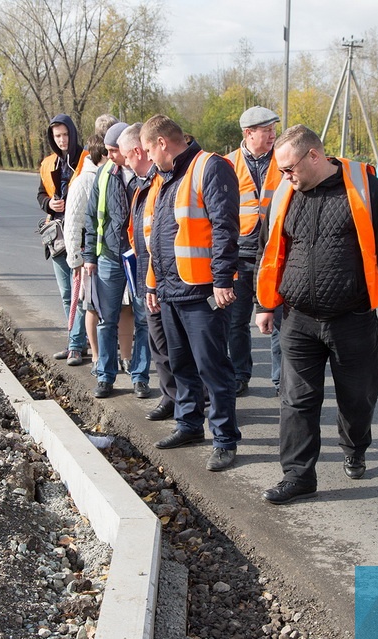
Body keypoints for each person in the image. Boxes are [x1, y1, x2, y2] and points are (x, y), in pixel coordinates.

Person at [254, 125, 378, 505]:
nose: (285, 177)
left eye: (290, 168)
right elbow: (269, 248)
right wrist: (265, 304)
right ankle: (298, 475)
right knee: (296, 400)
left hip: (351, 317)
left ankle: (354, 446)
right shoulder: (284, 193)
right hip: (297, 318)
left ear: (314, 156)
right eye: (281, 171)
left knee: (357, 397)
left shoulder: (365, 189)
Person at [140, 115, 241, 472]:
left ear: (162, 143)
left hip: (202, 292)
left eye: (150, 150)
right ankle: (188, 425)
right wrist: (153, 284)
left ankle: (225, 439)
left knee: (213, 369)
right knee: (181, 365)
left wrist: (222, 279)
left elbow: (225, 228)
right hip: (170, 290)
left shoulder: (209, 167)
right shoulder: (163, 178)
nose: (149, 157)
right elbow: (155, 239)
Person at [84, 122, 152, 400]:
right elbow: (92, 218)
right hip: (110, 258)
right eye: (109, 150)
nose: (110, 155)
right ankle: (105, 376)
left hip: (139, 260)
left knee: (143, 319)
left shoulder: (147, 174)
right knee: (106, 319)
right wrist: (89, 256)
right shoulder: (104, 175)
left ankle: (140, 377)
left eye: (114, 150)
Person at [225, 106, 284, 396]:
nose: (273, 134)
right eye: (267, 130)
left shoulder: (285, 160)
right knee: (237, 322)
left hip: (275, 255)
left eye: (274, 129)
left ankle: (280, 381)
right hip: (241, 255)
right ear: (249, 134)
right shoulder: (226, 164)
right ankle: (239, 375)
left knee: (279, 322)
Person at [119, 123, 175, 421]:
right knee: (159, 343)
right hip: (146, 276)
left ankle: (190, 399)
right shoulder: (141, 183)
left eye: (128, 156)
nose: (126, 163)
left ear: (139, 151)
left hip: (165, 279)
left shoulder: (161, 181)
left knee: (175, 345)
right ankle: (171, 397)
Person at [38, 114, 89, 362]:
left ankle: (78, 345)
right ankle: (74, 341)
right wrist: (50, 204)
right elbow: (40, 195)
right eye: (57, 136)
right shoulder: (48, 163)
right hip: (57, 237)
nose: (61, 140)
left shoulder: (87, 159)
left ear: (73, 133)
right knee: (67, 293)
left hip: (81, 235)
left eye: (65, 134)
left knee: (80, 293)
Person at [64, 133, 108, 368]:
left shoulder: (108, 175)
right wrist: (75, 258)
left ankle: (98, 350)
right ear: (101, 155)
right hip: (85, 251)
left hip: (103, 252)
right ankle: (77, 346)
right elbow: (72, 221)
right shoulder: (84, 180)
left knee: (97, 304)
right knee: (84, 303)